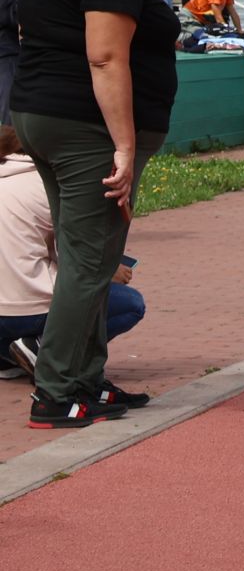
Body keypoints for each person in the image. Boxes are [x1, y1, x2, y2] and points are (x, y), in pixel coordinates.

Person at [11, 0, 177, 429]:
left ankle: (84, 379)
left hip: (43, 112)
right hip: (84, 125)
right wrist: (125, 147)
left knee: (91, 253)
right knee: (88, 261)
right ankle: (55, 391)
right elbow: (105, 56)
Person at [0, 126, 144, 381]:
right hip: (27, 309)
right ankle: (44, 349)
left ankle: (8, 355)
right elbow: (78, 255)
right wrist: (110, 270)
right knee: (129, 304)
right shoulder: (51, 185)